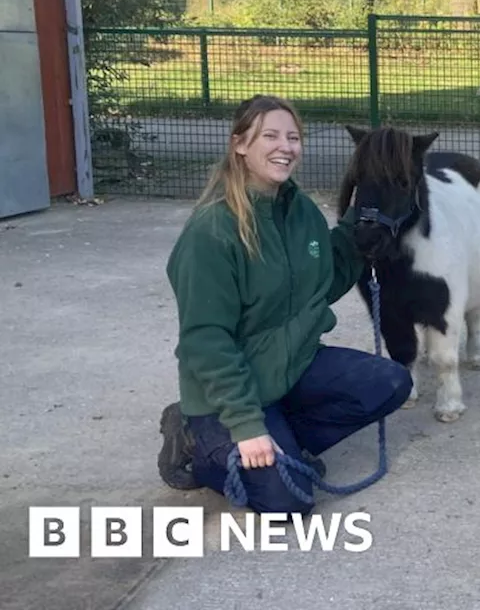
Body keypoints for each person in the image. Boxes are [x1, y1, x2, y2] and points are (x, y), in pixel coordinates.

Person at [156, 94, 412, 514]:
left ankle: (283, 441)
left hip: (289, 365)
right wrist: (246, 425)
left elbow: (320, 284)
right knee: (287, 499)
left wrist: (361, 225)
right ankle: (193, 439)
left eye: (293, 137)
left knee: (389, 383)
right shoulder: (212, 232)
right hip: (229, 387)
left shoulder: (300, 211)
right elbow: (206, 341)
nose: (286, 147)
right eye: (270, 136)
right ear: (240, 144)